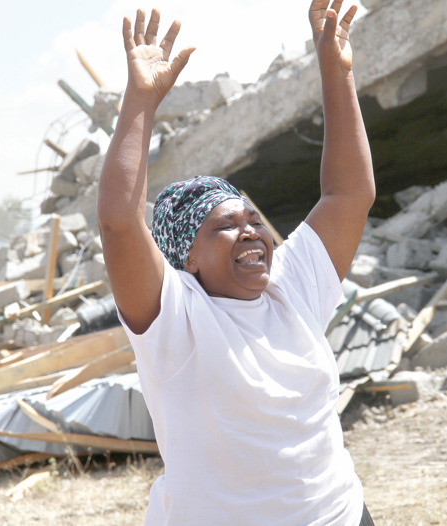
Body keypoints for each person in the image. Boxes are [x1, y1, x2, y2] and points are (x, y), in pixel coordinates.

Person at [97, 2, 376, 525]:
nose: (251, 231)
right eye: (224, 226)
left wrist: (335, 68)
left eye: (252, 218)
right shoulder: (173, 322)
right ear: (188, 258)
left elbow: (349, 194)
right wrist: (140, 100)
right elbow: (118, 223)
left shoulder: (292, 287)